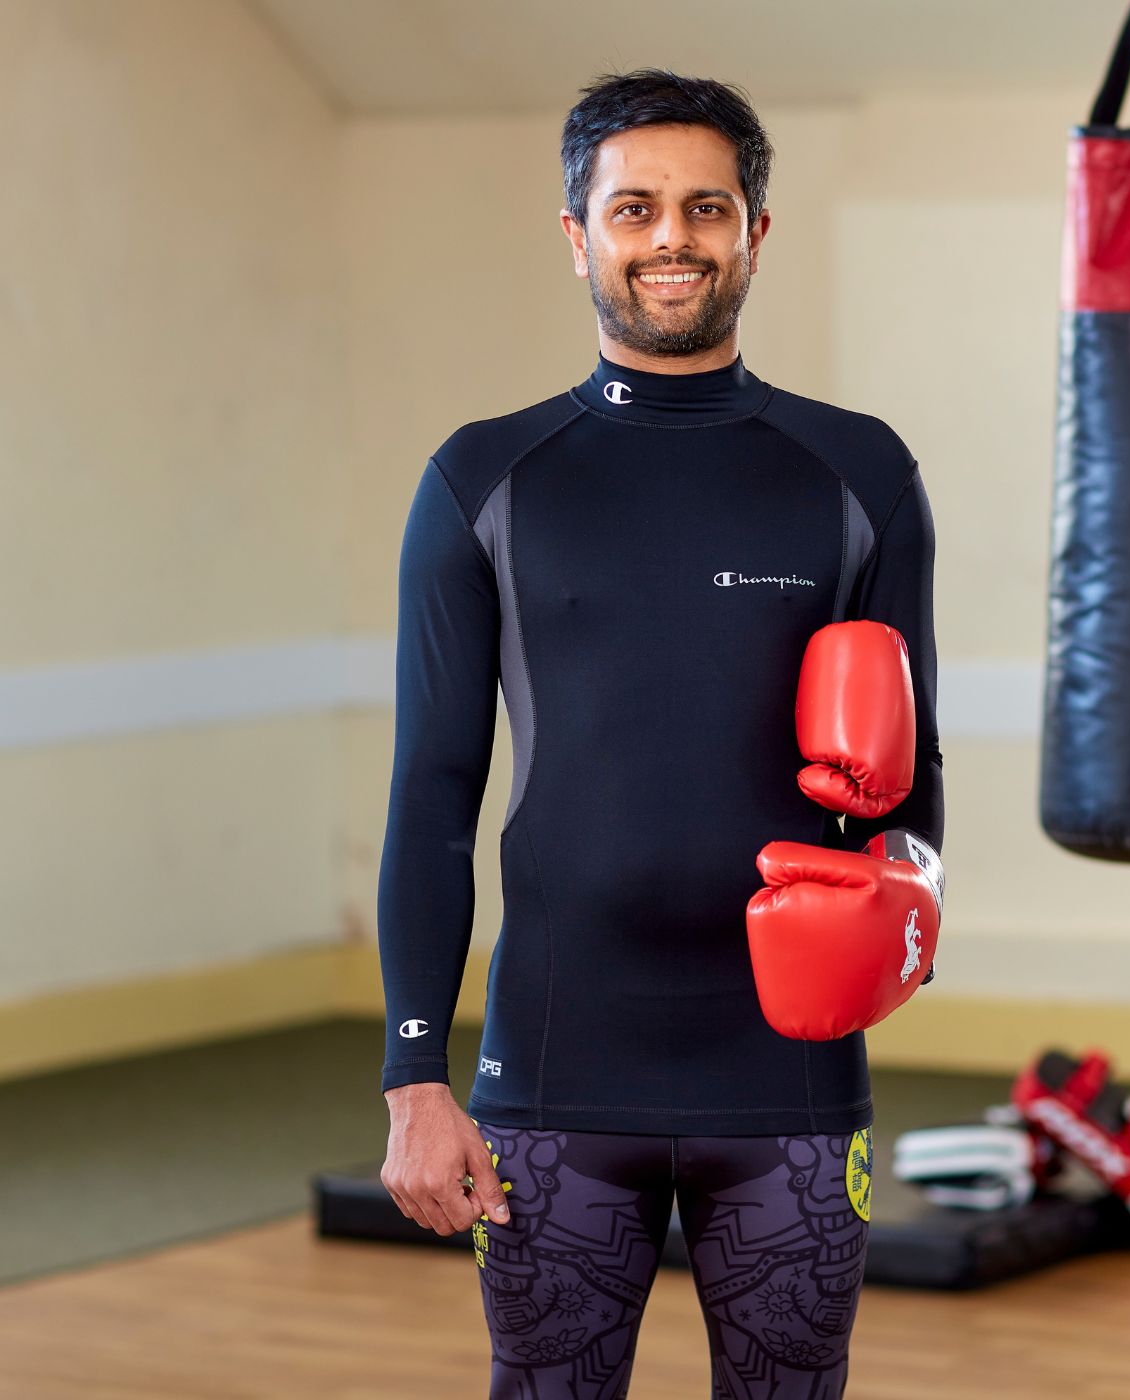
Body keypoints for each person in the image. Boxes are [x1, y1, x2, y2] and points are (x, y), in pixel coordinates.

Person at [374, 67, 943, 1399]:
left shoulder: (859, 475)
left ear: (755, 230)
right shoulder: (484, 479)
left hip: (790, 1082)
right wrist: (414, 1076)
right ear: (579, 235)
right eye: (634, 209)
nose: (671, 237)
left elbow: (915, 784)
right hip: (555, 1071)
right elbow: (432, 792)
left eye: (706, 206)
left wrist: (908, 894)